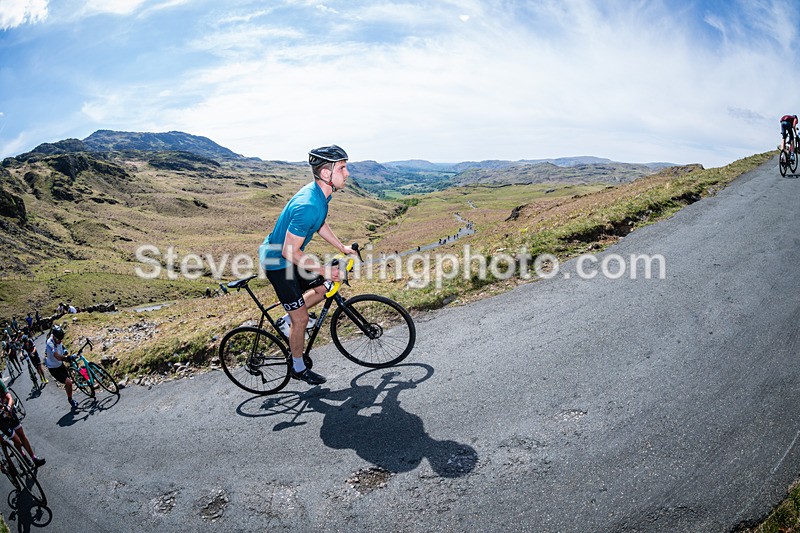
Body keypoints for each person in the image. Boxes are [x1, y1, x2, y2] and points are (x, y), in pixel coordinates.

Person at [258, 145, 355, 385]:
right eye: (342, 168)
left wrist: (341, 247)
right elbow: (289, 252)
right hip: (277, 263)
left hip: (287, 256)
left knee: (324, 286)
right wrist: (324, 270)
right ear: (326, 173)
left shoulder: (321, 195)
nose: (347, 173)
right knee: (301, 318)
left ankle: (286, 320)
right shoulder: (308, 204)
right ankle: (298, 368)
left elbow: (319, 223)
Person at [0, 379, 45, 467]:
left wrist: (9, 407)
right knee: (17, 440)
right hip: (1, 420)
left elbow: (10, 397)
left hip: (8, 412)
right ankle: (23, 456)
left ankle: (34, 458)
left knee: (21, 434)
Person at [44, 326, 78, 409]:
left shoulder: (57, 338)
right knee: (69, 382)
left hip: (60, 365)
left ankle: (67, 387)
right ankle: (70, 400)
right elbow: (57, 357)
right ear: (54, 337)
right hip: (54, 368)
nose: (60, 341)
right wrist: (67, 358)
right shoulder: (50, 343)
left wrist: (64, 349)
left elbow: (61, 345)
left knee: (69, 381)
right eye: (59, 340)